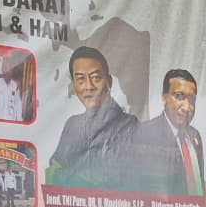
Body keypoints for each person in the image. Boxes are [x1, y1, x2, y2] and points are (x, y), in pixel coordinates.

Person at [45, 46, 137, 188]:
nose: (89, 86)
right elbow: (53, 170)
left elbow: (122, 178)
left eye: (96, 78)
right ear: (74, 85)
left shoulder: (129, 125)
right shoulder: (72, 124)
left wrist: (70, 175)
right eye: (80, 79)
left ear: (109, 81)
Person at [131, 69, 204, 195]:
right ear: (164, 97)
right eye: (179, 96)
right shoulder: (144, 134)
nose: (187, 107)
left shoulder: (195, 136)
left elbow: (199, 186)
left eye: (191, 99)